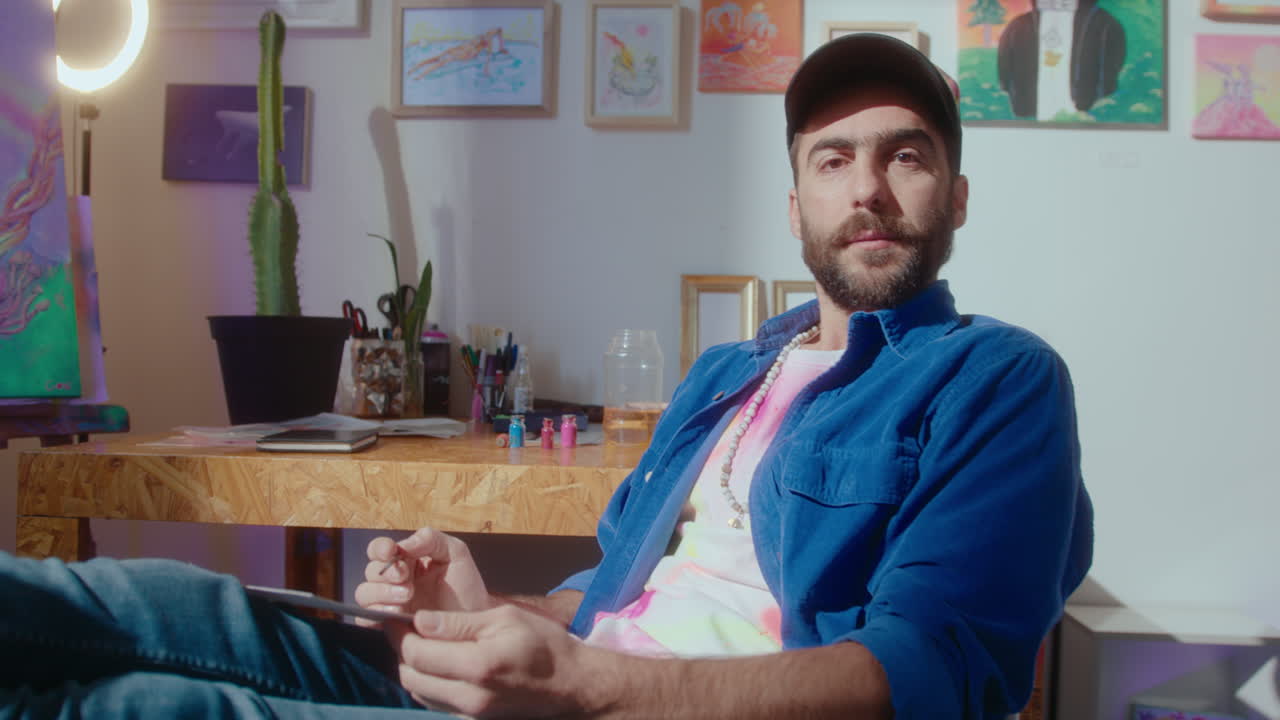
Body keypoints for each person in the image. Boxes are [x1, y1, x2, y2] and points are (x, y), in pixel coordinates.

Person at [0, 33, 1091, 719]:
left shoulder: (995, 381)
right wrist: (495, 611)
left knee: (124, 700)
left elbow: (934, 674)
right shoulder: (727, 375)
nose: (867, 188)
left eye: (905, 155)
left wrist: (591, 688)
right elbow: (620, 593)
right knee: (135, 601)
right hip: (578, 689)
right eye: (830, 158)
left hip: (630, 709)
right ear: (794, 200)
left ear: (953, 197)